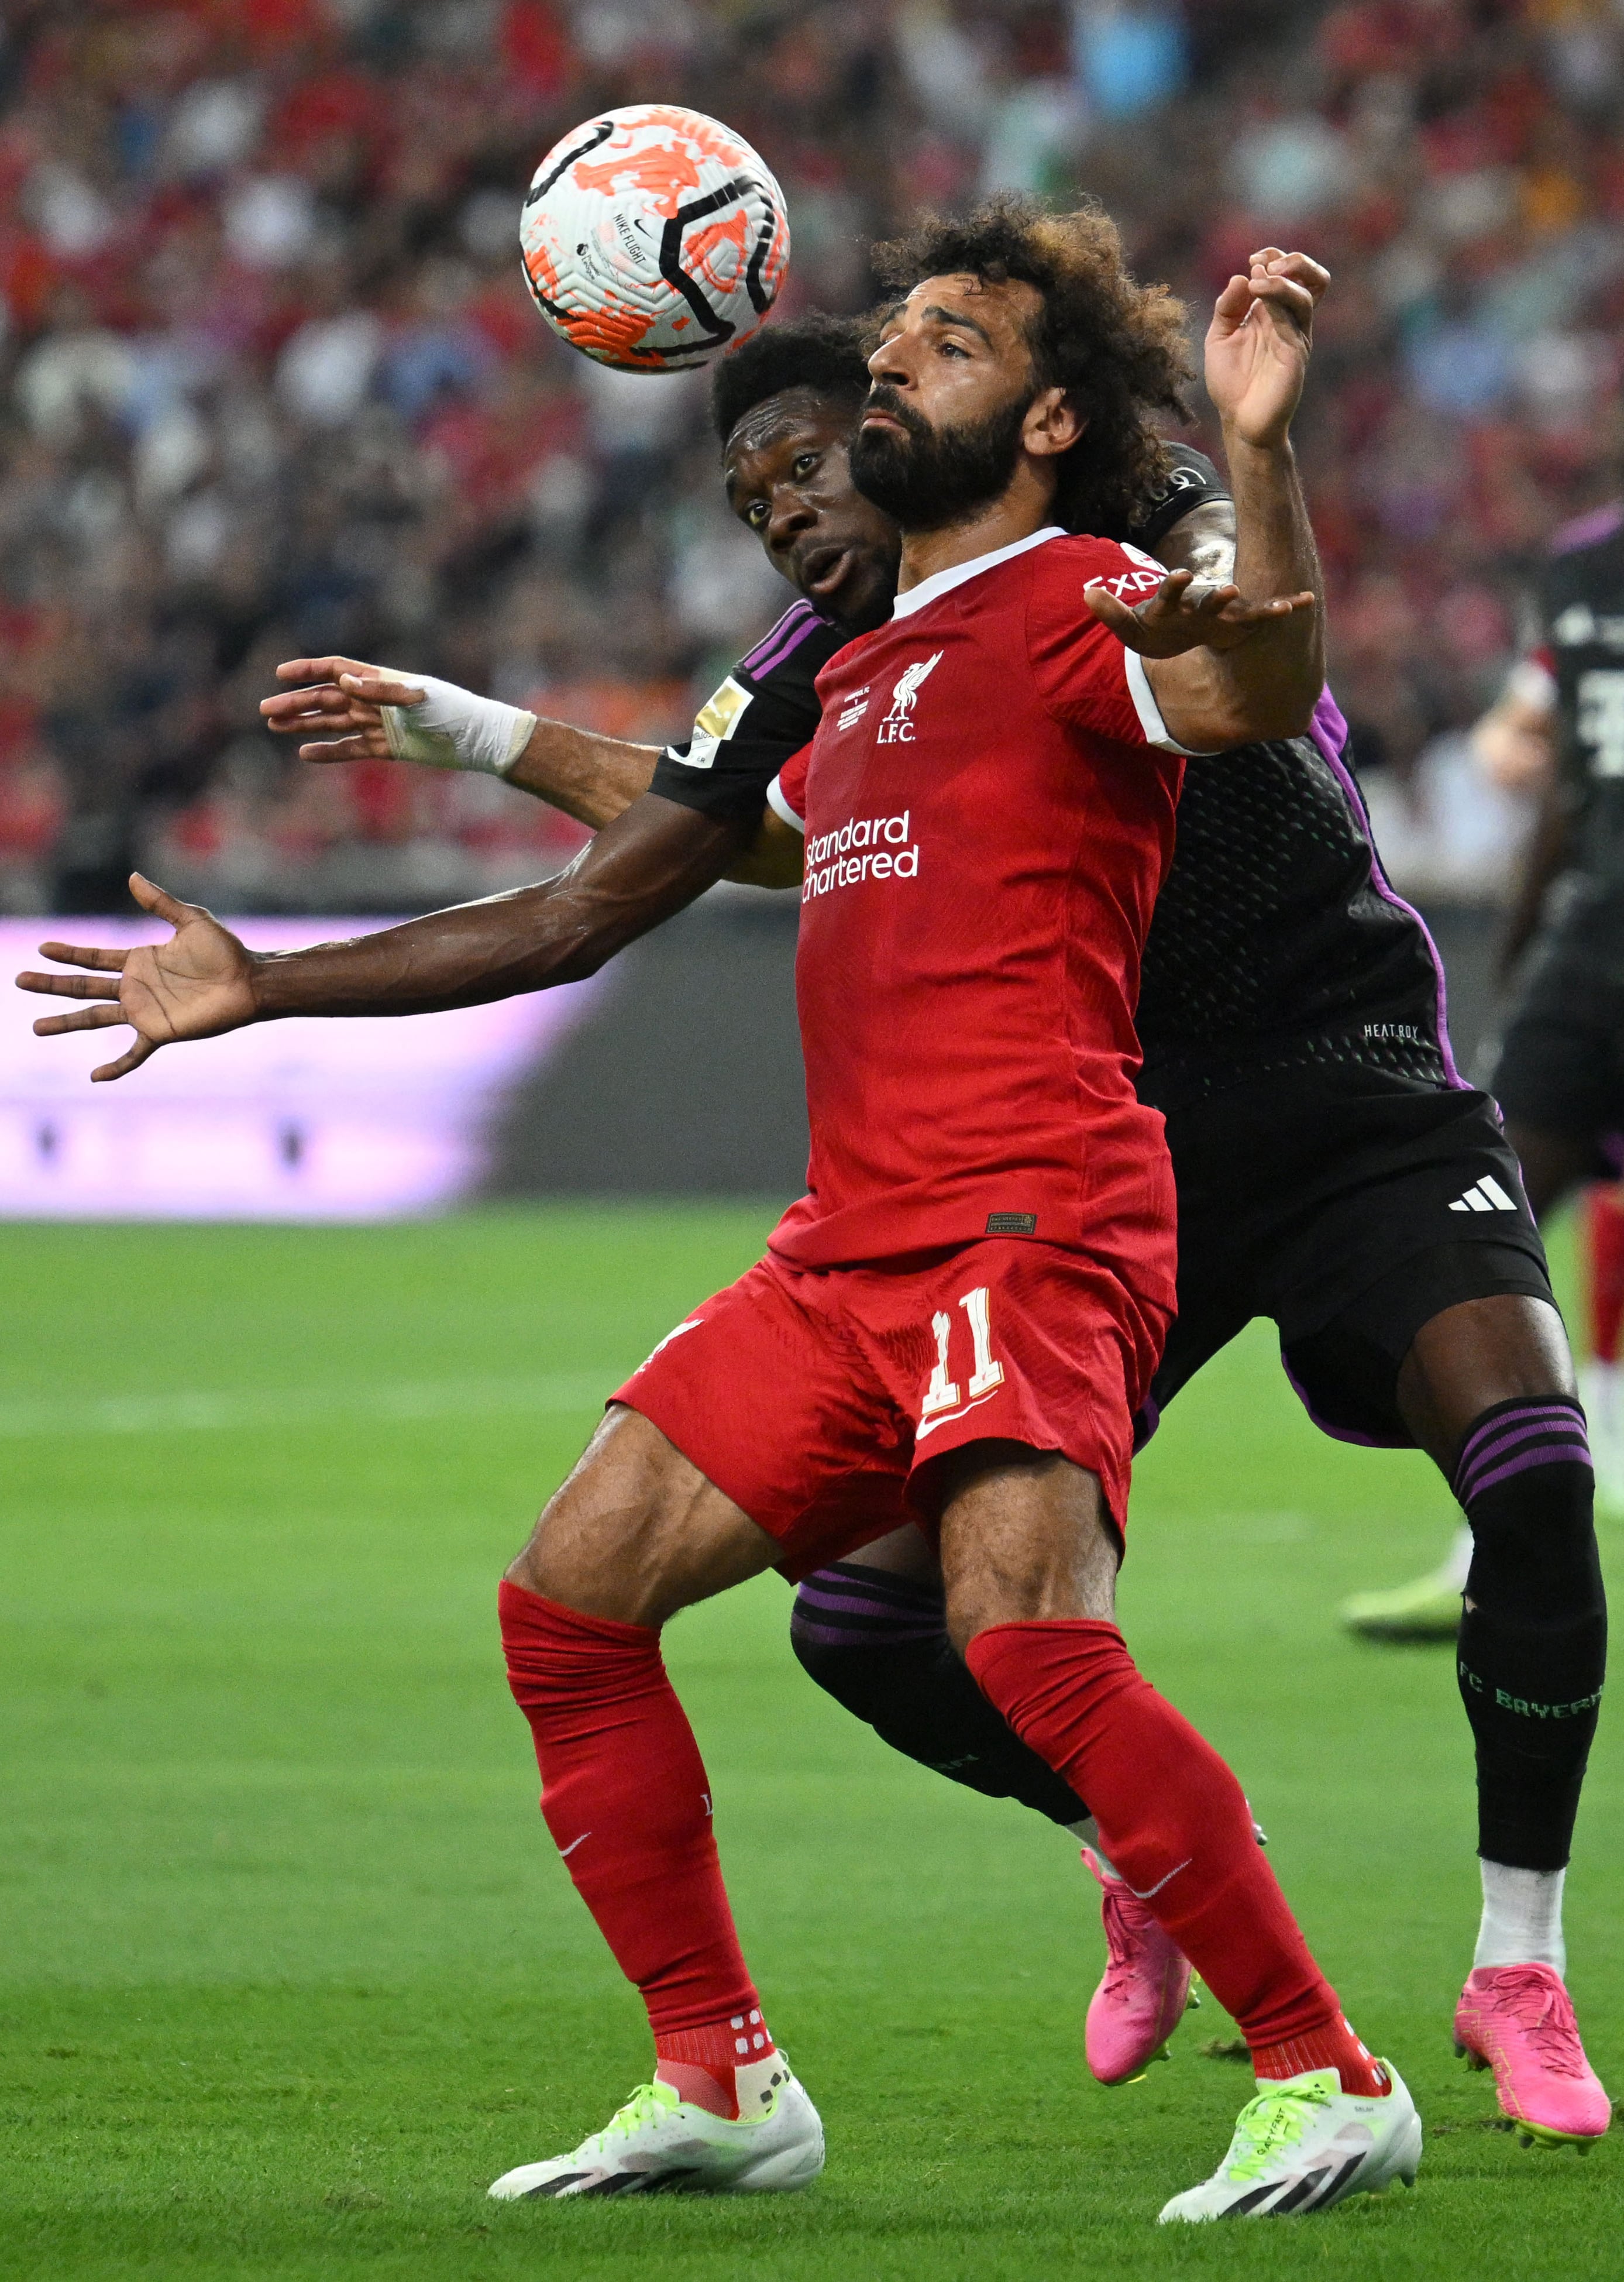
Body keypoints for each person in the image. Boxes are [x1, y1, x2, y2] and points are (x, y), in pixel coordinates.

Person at [19, 200, 1424, 2221]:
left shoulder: (1083, 596)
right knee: (569, 1600)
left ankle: (1328, 2071)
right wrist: (265, 983)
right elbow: (585, 915)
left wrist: (1264, 450)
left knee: (1023, 1639)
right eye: (889, 345)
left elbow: (1256, 692)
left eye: (940, 341)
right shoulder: (851, 675)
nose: (885, 370)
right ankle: (723, 2079)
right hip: (850, 1238)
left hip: (1029, 1209)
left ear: (1042, 421)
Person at [276, 312, 1611, 2145]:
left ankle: (1514, 1961)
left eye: (819, 457)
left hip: (1347, 1081)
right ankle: (1130, 1851)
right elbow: (728, 833)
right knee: (865, 1629)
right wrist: (478, 731)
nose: (790, 516)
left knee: (1533, 1466)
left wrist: (1237, 523)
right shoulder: (848, 633)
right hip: (1124, 1126)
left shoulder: (1131, 527)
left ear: (932, 436)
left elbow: (1243, 631)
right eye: (754, 500)